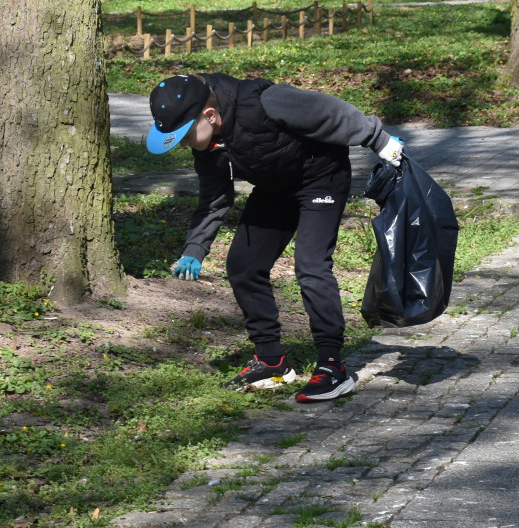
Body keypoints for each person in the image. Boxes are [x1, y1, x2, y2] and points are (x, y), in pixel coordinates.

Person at [146, 73, 403, 402]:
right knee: (243, 265)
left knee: (311, 265)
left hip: (321, 175)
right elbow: (214, 200)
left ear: (210, 116)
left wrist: (380, 141)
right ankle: (272, 362)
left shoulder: (265, 101)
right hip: (276, 187)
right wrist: (195, 249)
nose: (182, 144)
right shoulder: (209, 146)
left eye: (184, 135)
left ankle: (332, 368)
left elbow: (332, 111)